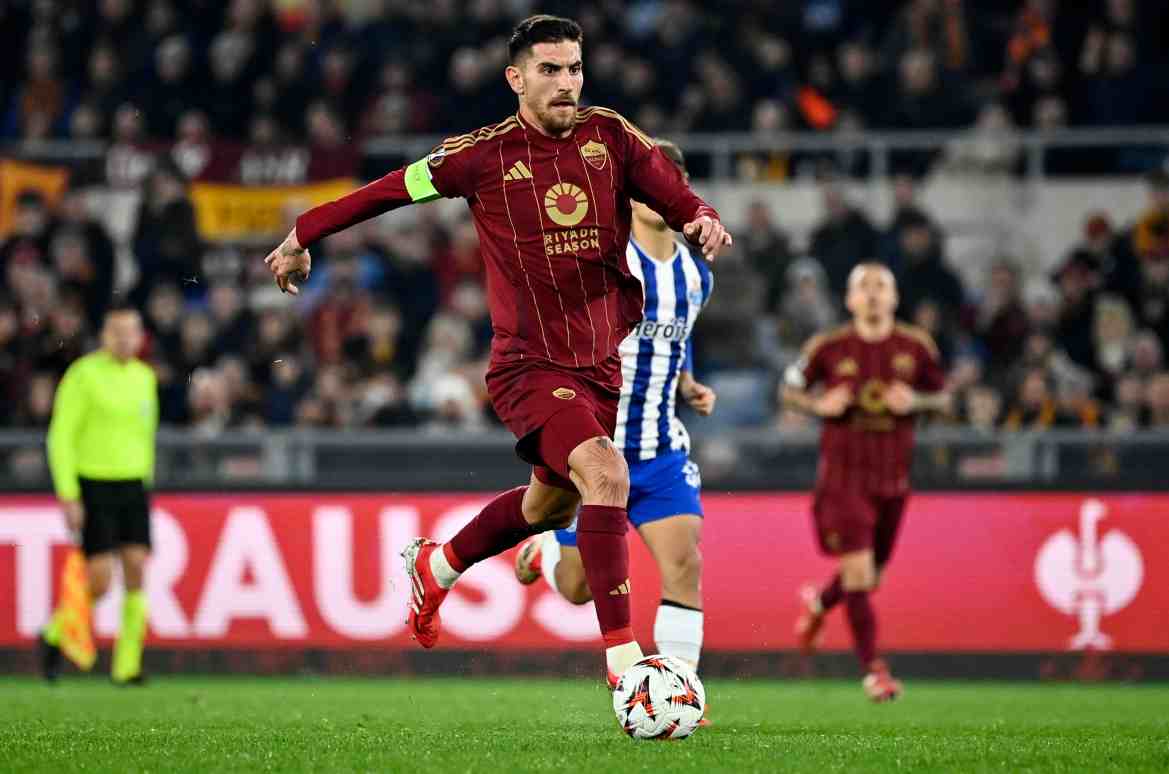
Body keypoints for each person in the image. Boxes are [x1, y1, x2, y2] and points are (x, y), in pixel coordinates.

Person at [264, 15, 732, 687]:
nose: (566, 83)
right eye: (549, 70)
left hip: (596, 367)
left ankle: (438, 566)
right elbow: (390, 188)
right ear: (515, 78)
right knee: (605, 473)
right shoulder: (480, 156)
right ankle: (628, 665)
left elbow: (669, 188)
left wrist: (701, 217)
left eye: (573, 68)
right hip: (528, 366)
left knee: (550, 507)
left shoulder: (611, 136)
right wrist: (304, 232)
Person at [512, 139, 715, 675]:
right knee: (578, 588)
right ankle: (545, 554)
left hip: (659, 448)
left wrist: (689, 383)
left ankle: (680, 691)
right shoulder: (605, 258)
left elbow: (677, 337)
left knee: (684, 565)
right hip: (596, 454)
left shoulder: (697, 276)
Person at [782, 263, 949, 702]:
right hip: (843, 479)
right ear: (849, 299)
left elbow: (945, 397)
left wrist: (917, 400)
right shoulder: (830, 347)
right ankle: (874, 671)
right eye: (864, 287)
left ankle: (818, 603)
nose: (873, 294)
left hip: (893, 479)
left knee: (869, 577)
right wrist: (817, 404)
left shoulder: (916, 347)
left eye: (881, 287)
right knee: (858, 572)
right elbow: (788, 388)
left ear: (894, 299)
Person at [39, 305, 158, 684]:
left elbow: (145, 435)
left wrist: (146, 482)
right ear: (105, 336)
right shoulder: (83, 375)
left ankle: (128, 666)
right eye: (117, 332)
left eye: (131, 333)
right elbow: (61, 436)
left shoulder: (144, 377)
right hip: (94, 484)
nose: (125, 340)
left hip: (133, 484)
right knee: (100, 581)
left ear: (140, 338)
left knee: (137, 568)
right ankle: (54, 636)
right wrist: (69, 494)